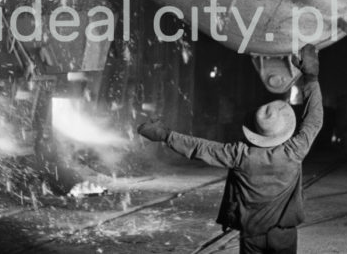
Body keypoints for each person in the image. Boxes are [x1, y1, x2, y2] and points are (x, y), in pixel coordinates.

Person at [137, 44, 323, 254]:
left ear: (255, 130)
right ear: (283, 130)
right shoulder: (294, 151)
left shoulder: (240, 155)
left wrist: (165, 135)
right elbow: (314, 120)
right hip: (284, 234)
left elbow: (199, 148)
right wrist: (311, 78)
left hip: (251, 234)